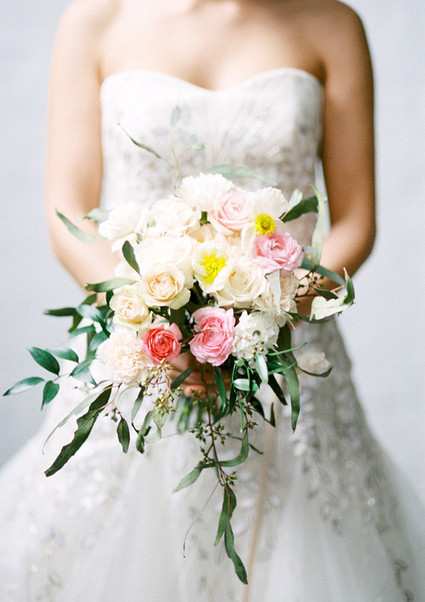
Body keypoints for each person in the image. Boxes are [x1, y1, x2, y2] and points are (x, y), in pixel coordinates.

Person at [1, 0, 424, 600]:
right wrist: (153, 322)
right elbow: (67, 212)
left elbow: (356, 222)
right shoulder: (95, 20)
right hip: (141, 354)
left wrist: (268, 314)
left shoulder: (333, 24)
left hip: (288, 352)